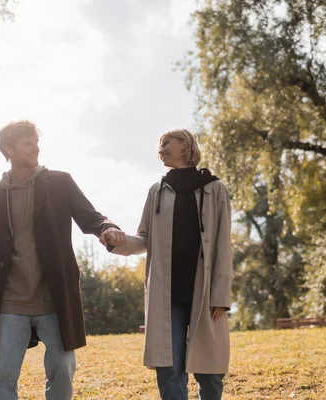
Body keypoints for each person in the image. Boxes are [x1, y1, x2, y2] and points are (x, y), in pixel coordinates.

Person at [0, 120, 126, 400]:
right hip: (10, 300)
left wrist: (107, 228)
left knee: (61, 368)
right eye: (28, 143)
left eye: (36, 142)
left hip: (54, 297)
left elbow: (89, 216)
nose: (36, 148)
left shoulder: (59, 182)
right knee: (3, 375)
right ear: (9, 149)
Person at [104, 128, 233, 399]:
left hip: (205, 292)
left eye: (166, 144)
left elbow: (223, 244)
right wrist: (117, 241)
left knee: (209, 369)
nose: (160, 150)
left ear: (185, 145)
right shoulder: (157, 192)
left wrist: (221, 294)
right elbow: (143, 239)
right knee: (169, 368)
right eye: (159, 146)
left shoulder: (215, 189)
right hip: (168, 295)